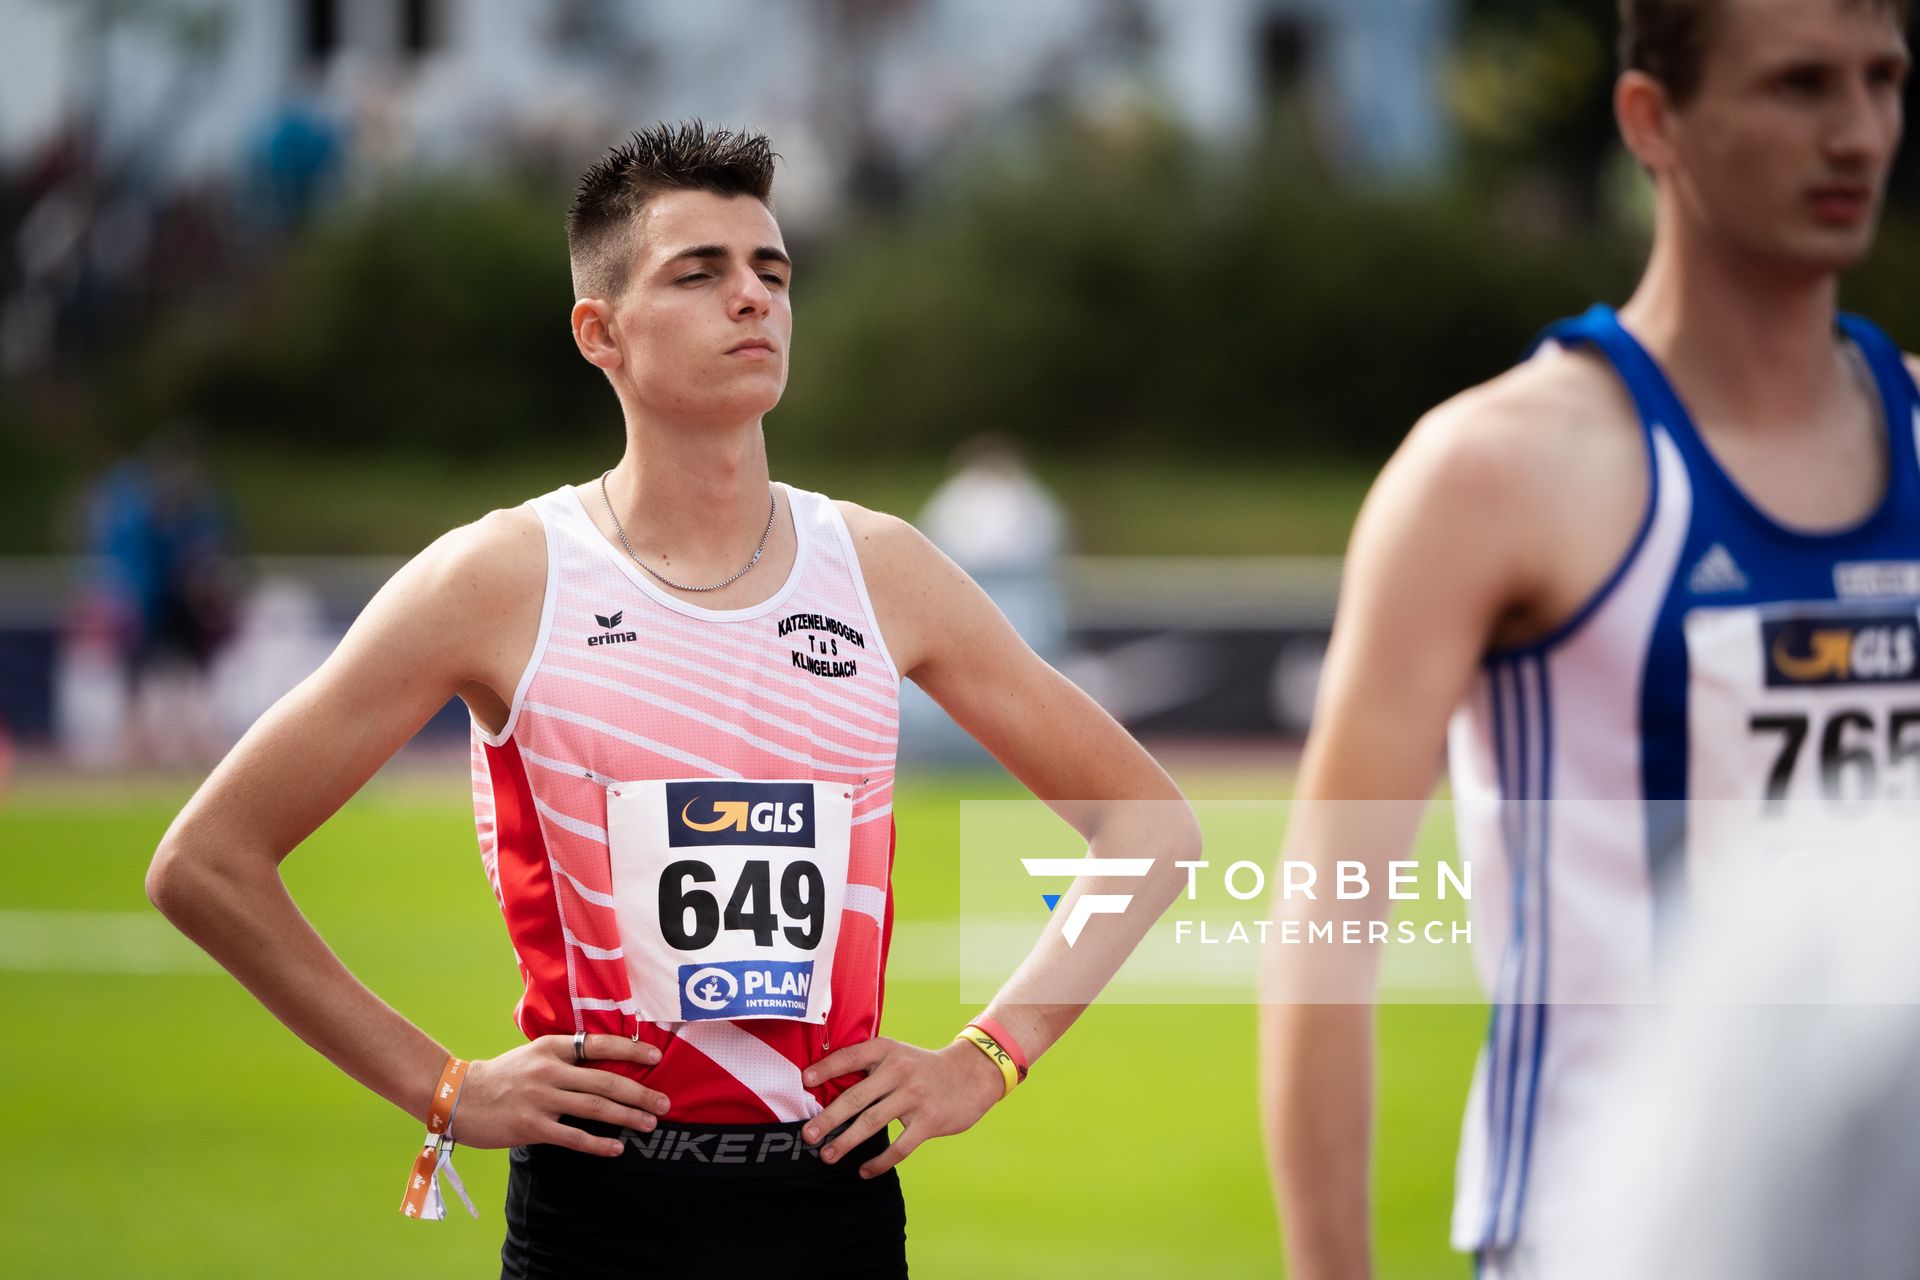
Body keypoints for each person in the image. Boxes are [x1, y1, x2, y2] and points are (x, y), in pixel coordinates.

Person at [147, 121, 1193, 1278]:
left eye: (772, 270)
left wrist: (988, 1055)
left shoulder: (883, 569)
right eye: (700, 272)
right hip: (600, 1212)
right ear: (600, 331)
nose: (752, 297)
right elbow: (206, 861)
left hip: (834, 1203)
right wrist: (440, 1084)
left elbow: (1147, 824)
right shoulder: (498, 579)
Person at [1259, 2, 1919, 1276]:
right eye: (1798, 87)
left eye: (1884, 79)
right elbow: (1326, 920)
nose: (1858, 134)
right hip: (1611, 1233)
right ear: (1650, 119)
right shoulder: (1494, 471)